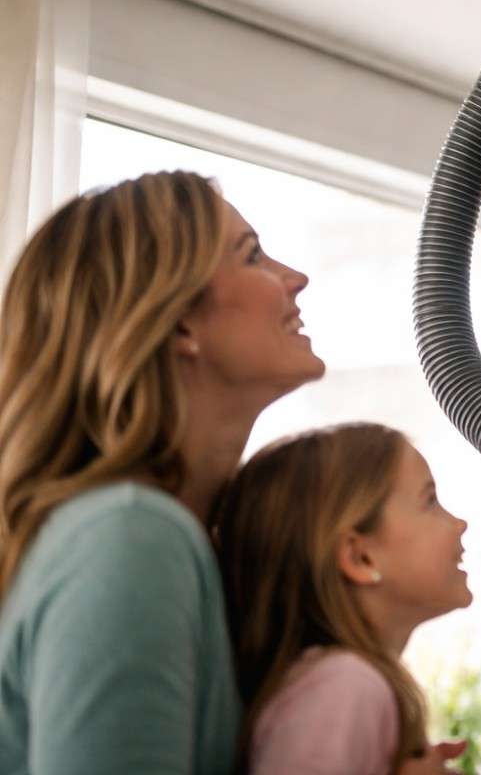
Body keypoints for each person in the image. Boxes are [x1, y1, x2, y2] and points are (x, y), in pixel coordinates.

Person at [0, 171, 324, 774]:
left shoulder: (154, 534)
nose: (295, 279)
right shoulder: (129, 536)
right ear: (179, 323)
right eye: (252, 255)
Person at [215, 421, 471, 775]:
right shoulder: (344, 688)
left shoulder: (342, 685)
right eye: (429, 501)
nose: (459, 524)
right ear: (360, 558)